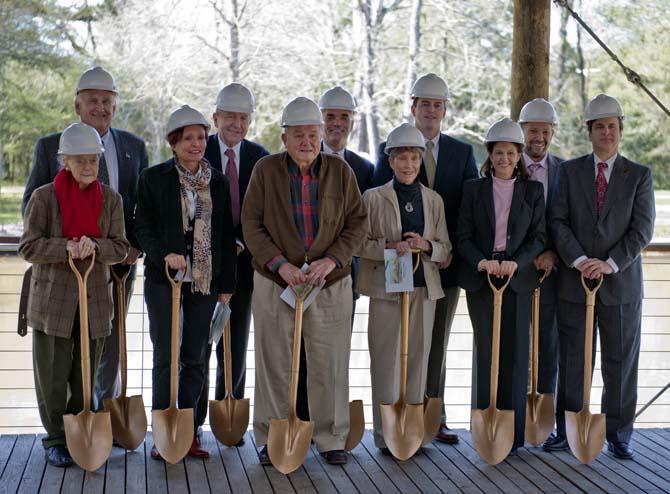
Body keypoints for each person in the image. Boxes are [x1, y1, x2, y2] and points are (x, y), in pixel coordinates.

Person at [242, 97, 368, 466]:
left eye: (312, 135)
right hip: (275, 281)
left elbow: (358, 223)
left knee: (329, 361)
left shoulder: (340, 172)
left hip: (329, 282)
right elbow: (251, 224)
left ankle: (331, 438)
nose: (307, 142)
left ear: (321, 136)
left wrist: (331, 260)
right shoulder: (265, 171)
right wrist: (280, 264)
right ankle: (270, 435)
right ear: (284, 138)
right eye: (298, 135)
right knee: (274, 361)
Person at [21, 66, 149, 410]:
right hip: (62, 271)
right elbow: (31, 206)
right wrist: (64, 247)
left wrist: (132, 248)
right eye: (92, 100)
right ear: (77, 105)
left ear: (115, 106)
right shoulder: (50, 147)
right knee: (60, 349)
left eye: (107, 100)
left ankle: (103, 414)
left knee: (108, 340)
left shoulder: (134, 147)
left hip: (117, 264)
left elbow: (140, 204)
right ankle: (66, 427)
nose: (100, 107)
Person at [549, 94, 655, 459]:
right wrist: (579, 260)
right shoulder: (569, 171)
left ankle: (618, 433)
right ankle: (567, 430)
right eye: (599, 127)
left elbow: (642, 231)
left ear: (620, 130)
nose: (606, 132)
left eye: (612, 126)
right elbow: (557, 221)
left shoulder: (639, 175)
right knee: (575, 361)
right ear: (589, 132)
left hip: (620, 284)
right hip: (575, 283)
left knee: (621, 361)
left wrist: (609, 264)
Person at [373, 73, 477, 443]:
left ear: (445, 110)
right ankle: (394, 425)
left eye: (438, 105)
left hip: (440, 268)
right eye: (425, 104)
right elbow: (376, 201)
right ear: (413, 106)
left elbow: (468, 211)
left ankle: (435, 417)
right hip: (394, 268)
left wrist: (442, 252)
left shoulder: (462, 153)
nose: (432, 111)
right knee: (393, 348)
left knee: (434, 347)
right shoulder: (391, 147)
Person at [19, 123, 129, 467]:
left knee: (85, 376)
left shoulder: (111, 200)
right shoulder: (43, 198)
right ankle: (55, 439)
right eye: (79, 160)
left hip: (94, 301)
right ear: (64, 161)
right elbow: (28, 247)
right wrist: (66, 246)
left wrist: (94, 245)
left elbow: (121, 248)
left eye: (93, 160)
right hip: (53, 302)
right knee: (52, 377)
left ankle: (80, 434)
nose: (87, 166)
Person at [134, 105, 237, 459]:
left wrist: (228, 284)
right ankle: (164, 434)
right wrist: (165, 252)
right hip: (165, 281)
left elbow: (224, 236)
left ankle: (188, 433)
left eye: (201, 138)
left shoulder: (217, 182)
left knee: (195, 356)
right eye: (188, 138)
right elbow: (142, 226)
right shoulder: (154, 178)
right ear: (174, 142)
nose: (196, 144)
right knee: (166, 356)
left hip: (204, 282)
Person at [357, 123, 451, 454]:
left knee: (418, 359)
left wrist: (426, 245)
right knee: (385, 359)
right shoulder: (373, 197)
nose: (408, 164)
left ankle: (411, 433)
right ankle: (386, 435)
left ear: (420, 160)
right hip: (387, 289)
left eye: (414, 158)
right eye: (402, 158)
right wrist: (390, 245)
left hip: (424, 290)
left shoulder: (434, 200)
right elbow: (359, 244)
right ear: (391, 161)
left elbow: (445, 249)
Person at [458, 118, 546, 454]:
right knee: (486, 353)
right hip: (482, 277)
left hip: (516, 277)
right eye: (498, 152)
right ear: (489, 155)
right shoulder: (473, 189)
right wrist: (481, 261)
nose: (504, 158)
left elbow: (539, 236)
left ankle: (514, 435)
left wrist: (517, 262)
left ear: (519, 155)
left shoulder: (532, 191)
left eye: (511, 152)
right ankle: (487, 429)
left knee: (515, 353)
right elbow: (462, 235)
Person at [195, 83, 269, 443]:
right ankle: (192, 419)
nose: (236, 124)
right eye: (229, 117)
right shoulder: (198, 150)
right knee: (198, 342)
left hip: (244, 264)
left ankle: (230, 413)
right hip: (203, 263)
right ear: (216, 118)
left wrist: (242, 242)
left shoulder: (261, 157)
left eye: (243, 118)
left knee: (235, 341)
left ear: (249, 121)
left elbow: (267, 211)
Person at [517, 98, 566, 449]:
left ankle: (544, 425)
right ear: (522, 132)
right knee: (516, 347)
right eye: (532, 130)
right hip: (515, 272)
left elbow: (572, 220)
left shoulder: (566, 171)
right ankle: (514, 421)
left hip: (554, 272)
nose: (538, 137)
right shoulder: (502, 165)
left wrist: (553, 253)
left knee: (548, 348)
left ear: (552, 133)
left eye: (544, 131)